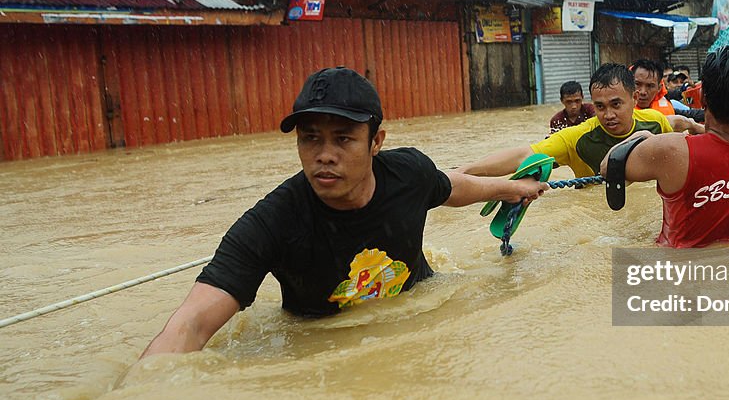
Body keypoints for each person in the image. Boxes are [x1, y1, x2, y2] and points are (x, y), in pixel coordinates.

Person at [141, 67, 548, 357]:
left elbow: (454, 187)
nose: (324, 156)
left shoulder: (408, 173)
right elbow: (191, 325)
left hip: (419, 308)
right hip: (318, 338)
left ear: (376, 142)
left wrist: (514, 188)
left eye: (343, 139)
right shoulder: (273, 222)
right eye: (310, 139)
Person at [600, 46, 729, 248]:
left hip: (681, 272)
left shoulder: (672, 150)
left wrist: (642, 135)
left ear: (703, 97)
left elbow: (608, 168)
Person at [457, 63, 703, 180]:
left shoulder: (654, 121)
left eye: (616, 105)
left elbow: (680, 123)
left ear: (634, 98)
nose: (608, 115)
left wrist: (704, 130)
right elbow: (524, 155)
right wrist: (464, 171)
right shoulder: (576, 137)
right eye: (600, 107)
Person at [632, 59, 705, 122]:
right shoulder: (622, 110)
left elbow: (690, 114)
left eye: (650, 86)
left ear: (659, 88)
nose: (643, 92)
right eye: (637, 84)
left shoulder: (669, 110)